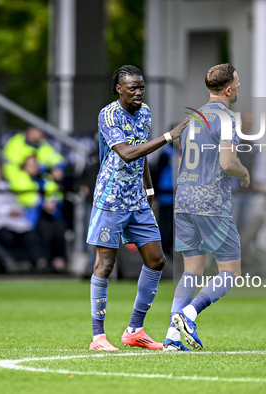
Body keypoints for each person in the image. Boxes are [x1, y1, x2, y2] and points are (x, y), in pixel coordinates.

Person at [86, 65, 190, 351]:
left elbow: (141, 151)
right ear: (119, 89)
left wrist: (149, 188)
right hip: (110, 198)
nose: (138, 92)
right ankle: (98, 337)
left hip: (136, 199)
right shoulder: (108, 115)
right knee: (105, 263)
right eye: (132, 88)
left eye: (141, 87)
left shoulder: (144, 112)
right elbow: (127, 152)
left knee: (156, 259)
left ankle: (135, 330)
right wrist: (169, 137)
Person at [166, 63, 250, 351]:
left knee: (192, 271)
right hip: (211, 203)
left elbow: (183, 160)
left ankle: (172, 338)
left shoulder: (193, 118)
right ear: (228, 89)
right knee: (231, 271)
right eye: (237, 82)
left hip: (184, 200)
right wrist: (244, 173)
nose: (239, 86)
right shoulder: (226, 118)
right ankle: (188, 316)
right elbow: (227, 163)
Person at [0, 161, 47, 271]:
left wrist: (17, 210)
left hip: (12, 220)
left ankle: (38, 262)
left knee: (30, 234)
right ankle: (7, 264)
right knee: (6, 236)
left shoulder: (4, 185)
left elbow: (15, 202)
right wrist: (7, 211)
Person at [9, 155, 66, 272]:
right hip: (29, 214)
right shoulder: (20, 177)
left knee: (59, 227)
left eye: (35, 165)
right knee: (42, 230)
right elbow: (25, 197)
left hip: (49, 213)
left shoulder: (45, 178)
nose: (33, 167)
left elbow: (56, 192)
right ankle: (42, 260)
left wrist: (52, 201)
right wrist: (43, 203)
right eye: (30, 165)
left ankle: (58, 259)